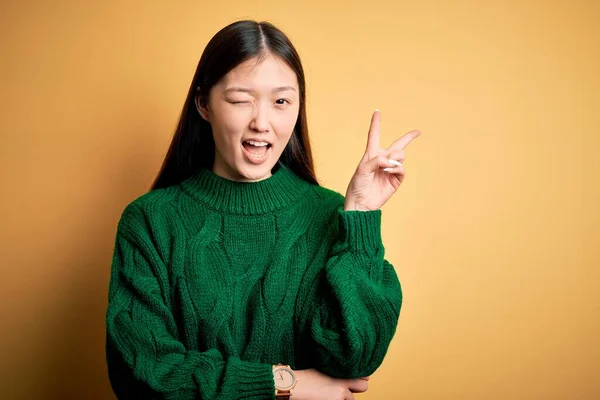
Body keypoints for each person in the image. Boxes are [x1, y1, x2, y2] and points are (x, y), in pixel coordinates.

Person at [105, 19, 420, 400]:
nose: (262, 123)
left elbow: (356, 358)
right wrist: (283, 383)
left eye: (281, 101)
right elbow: (140, 373)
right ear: (204, 104)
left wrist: (359, 218)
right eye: (241, 100)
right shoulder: (150, 221)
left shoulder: (330, 214)